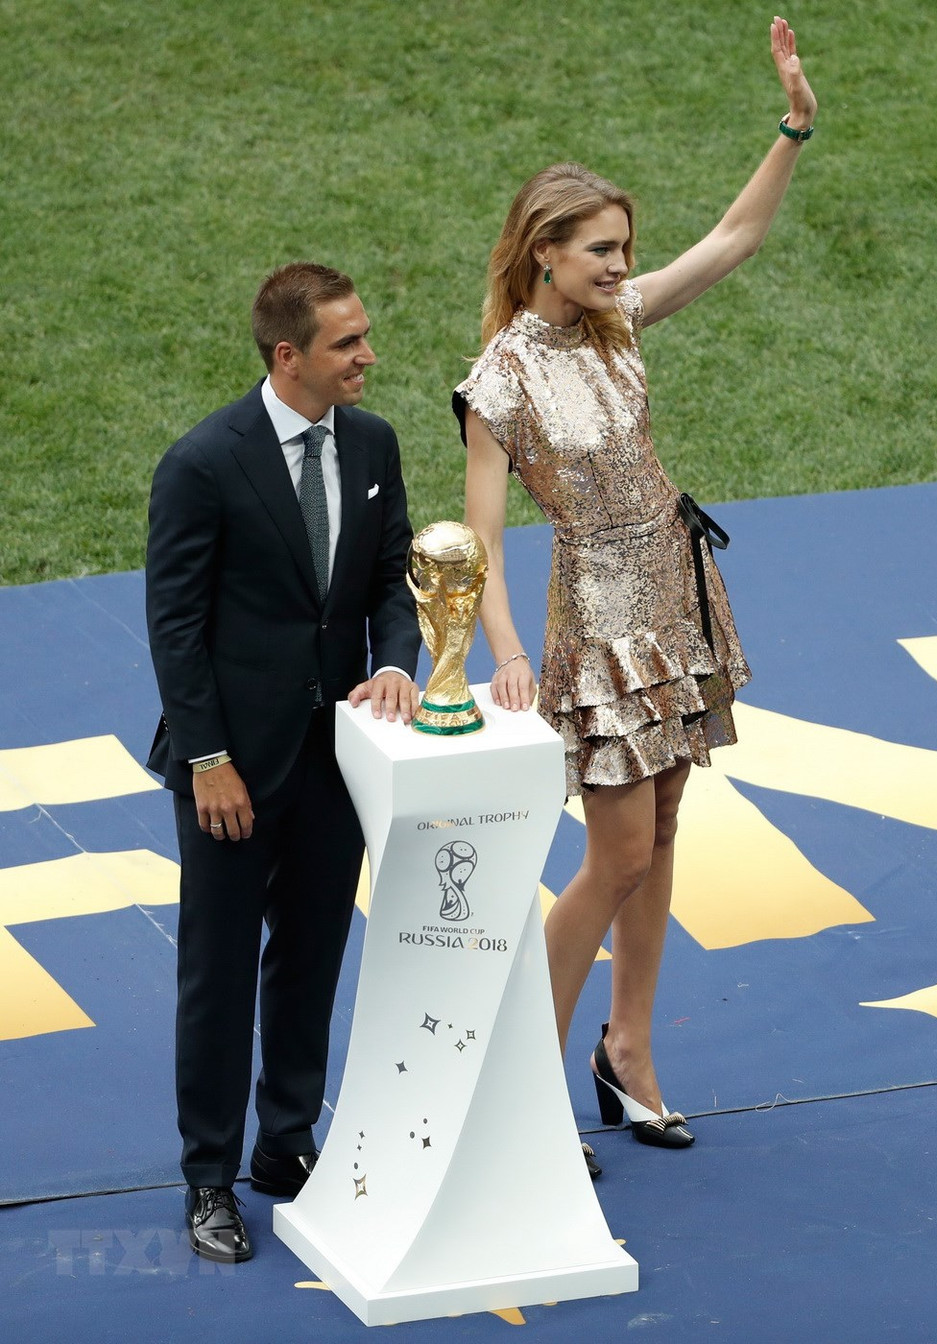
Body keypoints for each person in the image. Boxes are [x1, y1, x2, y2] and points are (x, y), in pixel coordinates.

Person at [457, 19, 817, 1172]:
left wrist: (793, 127)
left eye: (623, 247)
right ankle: (520, 1074)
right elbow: (482, 533)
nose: (619, 264)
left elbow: (735, 238)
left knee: (660, 833)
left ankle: (632, 1051)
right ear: (542, 252)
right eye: (598, 249)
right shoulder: (498, 380)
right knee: (613, 857)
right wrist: (503, 649)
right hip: (596, 627)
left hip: (674, 593)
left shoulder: (618, 324)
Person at [145, 262, 421, 1261]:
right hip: (232, 767)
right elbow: (175, 628)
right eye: (348, 343)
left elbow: (391, 582)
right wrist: (208, 760)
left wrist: (394, 667)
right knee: (218, 975)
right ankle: (209, 1177)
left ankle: (287, 1144)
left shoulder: (376, 443)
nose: (368, 357)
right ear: (287, 354)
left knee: (309, 959)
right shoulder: (203, 463)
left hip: (331, 761)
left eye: (364, 337)